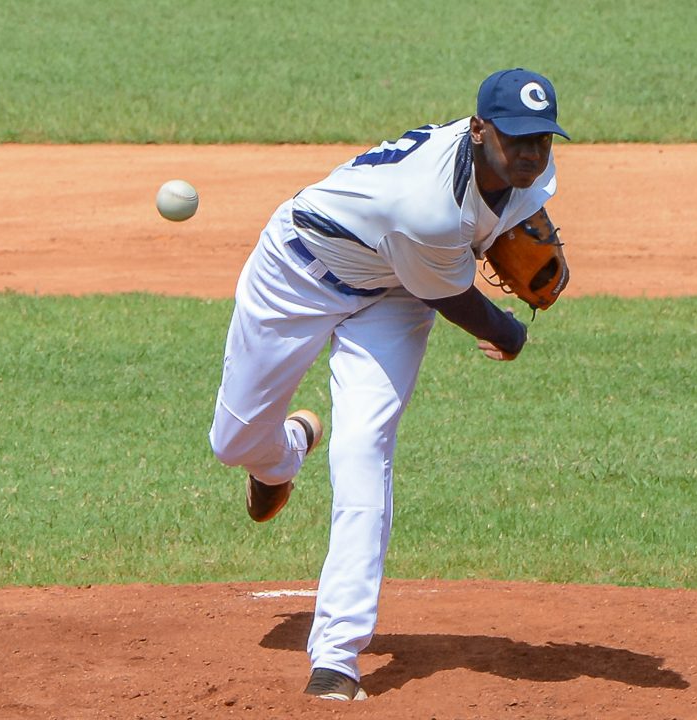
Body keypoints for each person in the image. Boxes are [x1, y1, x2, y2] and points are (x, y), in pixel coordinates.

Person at [209, 68, 569, 701]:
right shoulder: (426, 206)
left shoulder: (530, 171)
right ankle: (283, 454)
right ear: (479, 130)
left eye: (543, 140)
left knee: (363, 449)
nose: (532, 155)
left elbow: (494, 237)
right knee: (233, 442)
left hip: (393, 297)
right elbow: (455, 295)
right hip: (297, 272)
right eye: (518, 141)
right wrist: (511, 333)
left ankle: (337, 654)